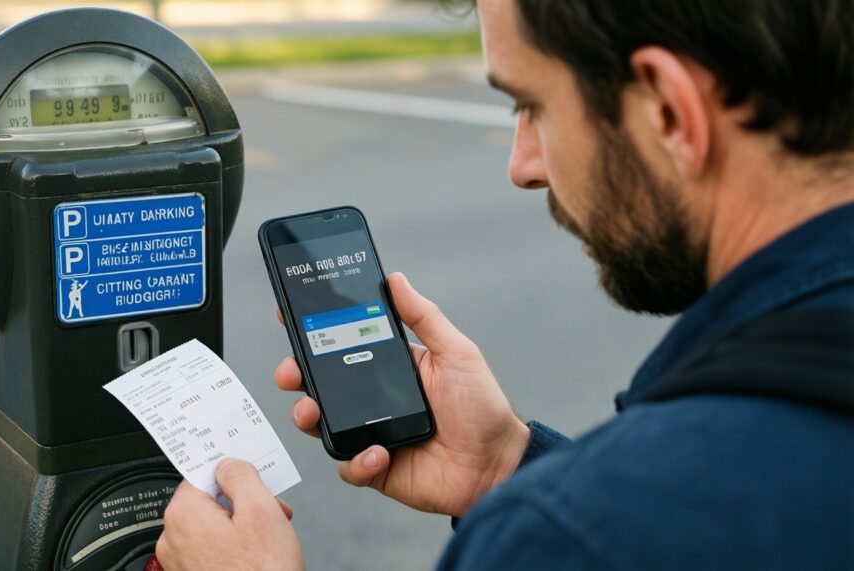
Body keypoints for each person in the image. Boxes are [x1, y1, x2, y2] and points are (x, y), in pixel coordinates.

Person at [156, 0, 854, 568]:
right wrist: (507, 469)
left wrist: (543, 513)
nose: (522, 165)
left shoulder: (568, 538)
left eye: (534, 106)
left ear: (669, 113)